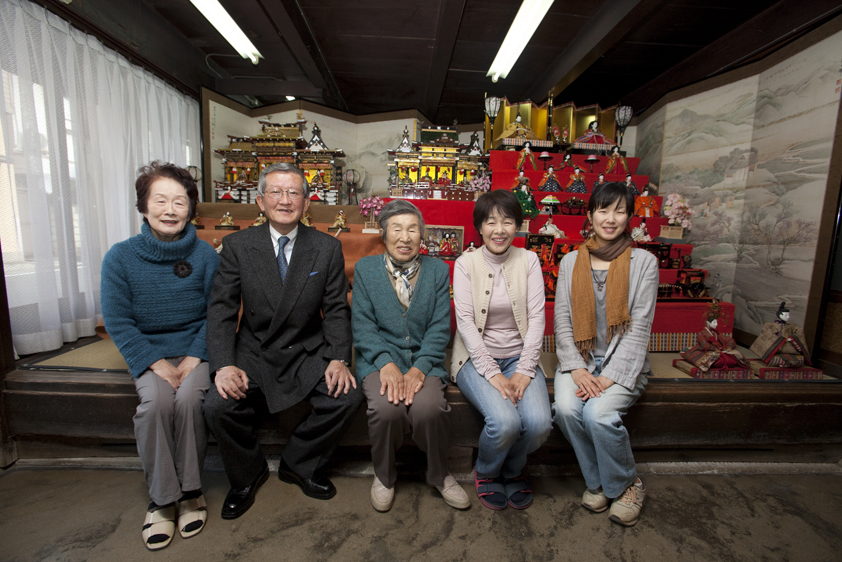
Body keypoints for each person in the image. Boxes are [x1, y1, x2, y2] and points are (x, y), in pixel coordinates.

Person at [204, 163, 363, 520]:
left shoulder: (326, 247)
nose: (285, 200)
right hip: (254, 350)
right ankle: (247, 474)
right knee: (216, 405)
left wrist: (339, 358)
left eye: (294, 193)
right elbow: (222, 311)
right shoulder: (237, 246)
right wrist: (223, 364)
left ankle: (299, 464)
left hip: (305, 349)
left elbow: (336, 310)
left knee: (347, 396)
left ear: (306, 203)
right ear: (261, 201)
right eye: (276, 192)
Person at [101, 162, 220, 550]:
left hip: (196, 350)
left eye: (180, 202)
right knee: (154, 405)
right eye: (160, 200)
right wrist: (154, 362)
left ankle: (191, 492)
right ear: (143, 206)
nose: (170, 210)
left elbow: (218, 312)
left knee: (189, 400)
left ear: (191, 209)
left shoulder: (205, 255)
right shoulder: (119, 257)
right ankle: (162, 499)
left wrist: (196, 355)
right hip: (149, 352)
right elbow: (117, 320)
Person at [352, 200, 471, 512]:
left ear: (422, 235)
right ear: (384, 234)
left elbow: (439, 327)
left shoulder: (438, 271)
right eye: (397, 229)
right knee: (386, 410)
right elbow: (363, 326)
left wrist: (420, 367)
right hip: (378, 360)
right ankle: (384, 475)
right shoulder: (366, 270)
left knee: (429, 409)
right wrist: (386, 363)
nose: (405, 237)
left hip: (424, 359)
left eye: (412, 229)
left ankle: (439, 473)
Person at [552, 181, 658, 527]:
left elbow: (639, 327)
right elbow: (562, 320)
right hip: (581, 361)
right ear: (590, 215)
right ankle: (600, 481)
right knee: (566, 409)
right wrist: (577, 369)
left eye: (619, 211)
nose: (610, 219)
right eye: (603, 210)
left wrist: (609, 376)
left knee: (598, 414)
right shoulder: (571, 261)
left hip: (622, 365)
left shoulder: (645, 263)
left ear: (629, 217)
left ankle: (628, 485)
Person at [451, 190, 552, 511]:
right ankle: (487, 472)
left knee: (539, 424)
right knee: (505, 422)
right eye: (491, 221)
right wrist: (491, 371)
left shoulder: (529, 260)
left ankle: (512, 470)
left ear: (517, 226)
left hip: (520, 357)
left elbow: (537, 318)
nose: (499, 229)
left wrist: (525, 369)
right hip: (474, 358)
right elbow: (466, 323)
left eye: (507, 221)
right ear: (479, 227)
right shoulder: (466, 263)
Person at [680, 299, 749, 372]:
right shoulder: (702, 333)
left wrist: (728, 348)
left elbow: (730, 339)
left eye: (716, 322)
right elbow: (704, 344)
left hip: (719, 350)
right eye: (714, 322)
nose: (716, 324)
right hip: (706, 351)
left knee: (736, 354)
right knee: (708, 359)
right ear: (708, 323)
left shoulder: (716, 333)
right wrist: (715, 349)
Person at [750, 302, 811, 368]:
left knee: (800, 359)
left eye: (789, 315)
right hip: (776, 348)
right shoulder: (771, 325)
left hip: (788, 347)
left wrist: (792, 338)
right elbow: (766, 335)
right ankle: (784, 363)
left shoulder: (791, 326)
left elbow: (799, 331)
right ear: (780, 315)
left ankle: (786, 363)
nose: (788, 317)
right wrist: (779, 340)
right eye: (786, 315)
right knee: (772, 358)